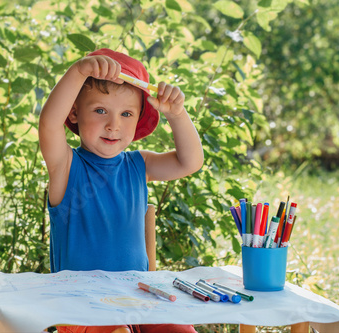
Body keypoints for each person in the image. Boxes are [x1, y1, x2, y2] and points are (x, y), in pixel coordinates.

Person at [38, 48, 204, 333]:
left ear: (138, 119)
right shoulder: (66, 166)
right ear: (75, 113)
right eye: (100, 110)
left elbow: (189, 162)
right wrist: (79, 72)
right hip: (81, 310)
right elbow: (49, 124)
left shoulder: (140, 164)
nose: (114, 125)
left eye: (126, 113)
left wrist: (177, 114)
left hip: (139, 300)